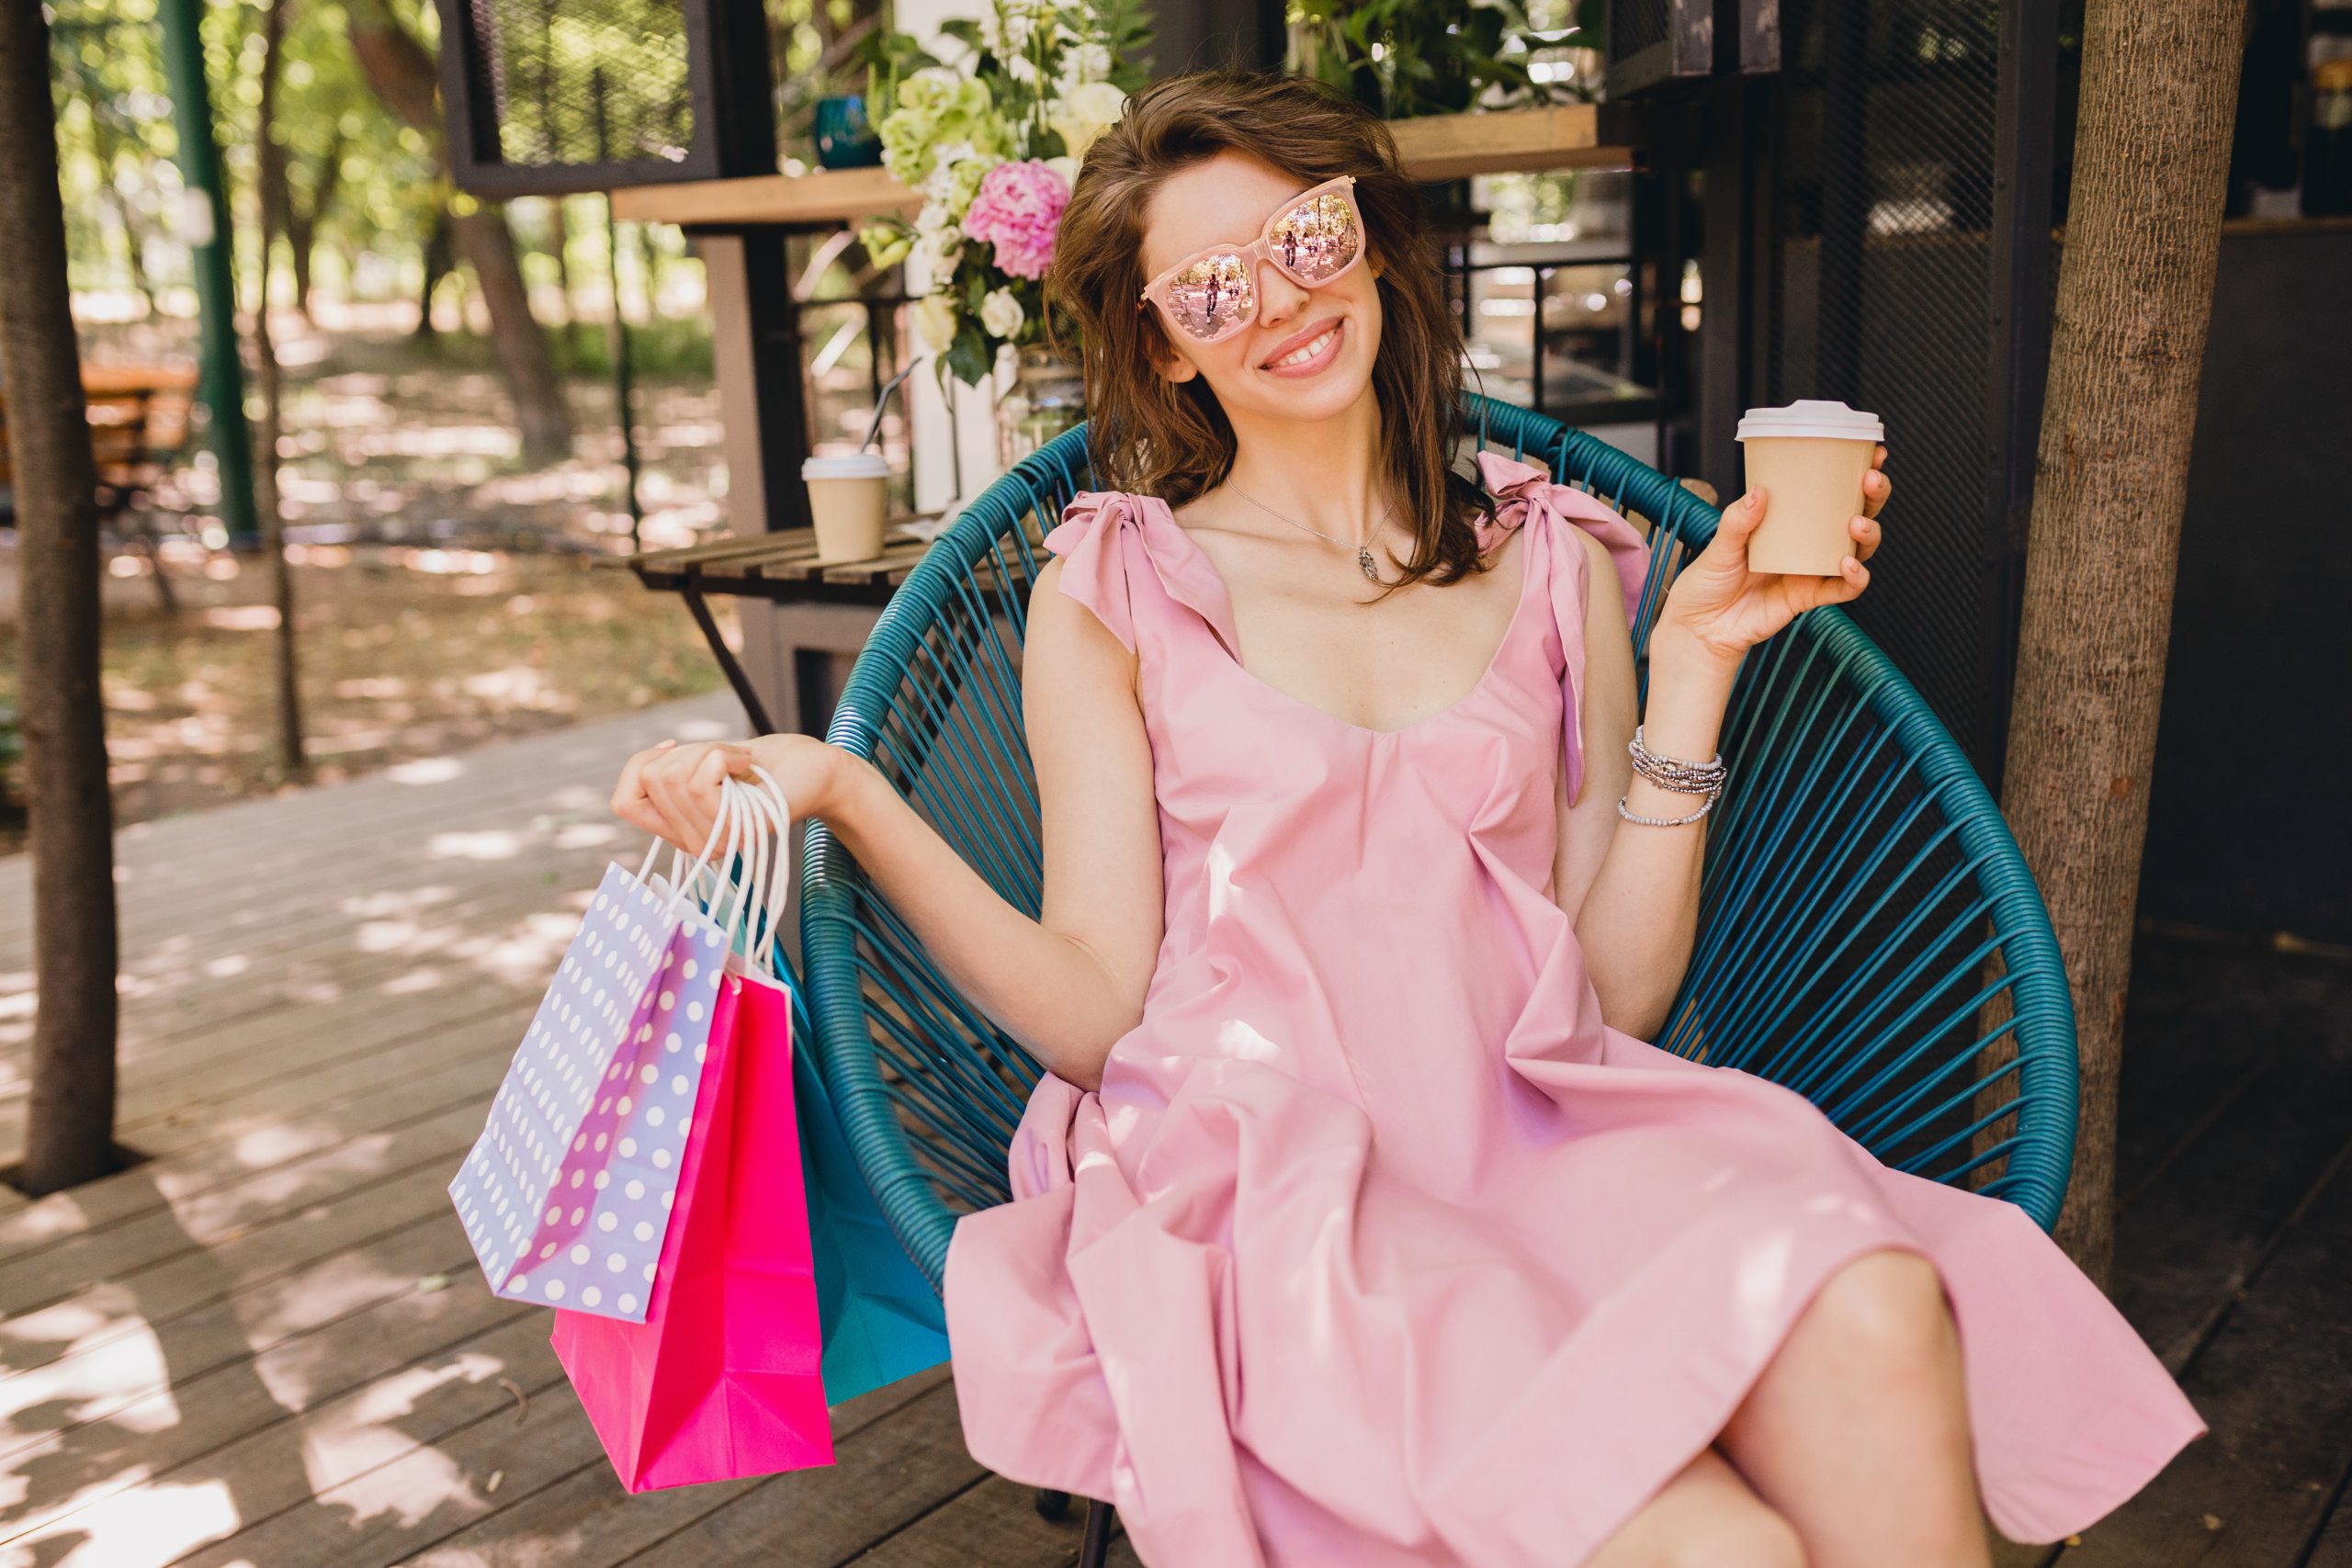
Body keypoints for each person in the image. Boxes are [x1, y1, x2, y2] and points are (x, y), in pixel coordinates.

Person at [612, 67, 2204, 1568]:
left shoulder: (1553, 556)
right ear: (1166, 346)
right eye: (1214, 288)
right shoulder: (1112, 591)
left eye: (1304, 238)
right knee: (1726, 1548)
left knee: (1873, 1302)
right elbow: (1101, 1009)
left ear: (1367, 235)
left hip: (1547, 1125)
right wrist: (846, 795)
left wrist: (1699, 661)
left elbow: (1620, 994)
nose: (1285, 302)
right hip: (1280, 1174)